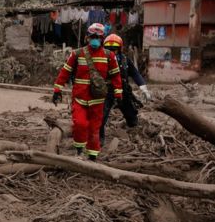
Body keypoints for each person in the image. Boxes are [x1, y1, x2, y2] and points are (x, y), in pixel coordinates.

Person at [52, 23, 123, 161]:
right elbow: (65, 72)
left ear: (102, 39)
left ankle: (92, 156)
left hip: (98, 100)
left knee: (94, 128)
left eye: (98, 37)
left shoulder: (109, 56)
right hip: (79, 98)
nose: (95, 39)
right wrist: (57, 90)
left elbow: (116, 76)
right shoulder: (77, 54)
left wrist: (118, 94)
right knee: (80, 124)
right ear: (87, 38)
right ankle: (79, 152)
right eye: (92, 37)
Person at [100, 34, 152, 144]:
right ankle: (100, 140)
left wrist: (144, 89)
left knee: (132, 116)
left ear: (119, 49)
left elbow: (136, 75)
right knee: (101, 116)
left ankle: (133, 134)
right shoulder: (100, 60)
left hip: (123, 92)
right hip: (106, 92)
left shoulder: (125, 60)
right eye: (108, 50)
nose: (111, 52)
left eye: (114, 50)